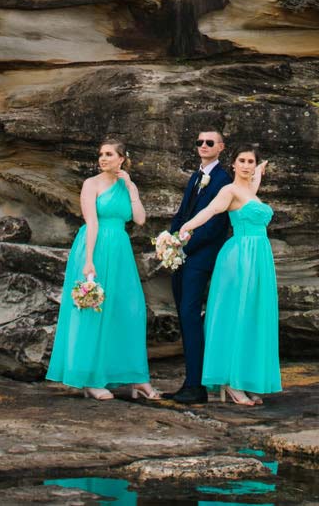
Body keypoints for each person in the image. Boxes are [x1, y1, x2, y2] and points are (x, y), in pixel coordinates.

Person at [45, 140, 161, 401]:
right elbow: (92, 222)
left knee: (129, 309)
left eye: (109, 154)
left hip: (120, 250)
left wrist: (131, 187)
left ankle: (136, 378)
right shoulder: (91, 184)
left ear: (122, 159)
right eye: (101, 154)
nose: (103, 158)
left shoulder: (127, 185)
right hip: (94, 247)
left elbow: (140, 219)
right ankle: (90, 379)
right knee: (92, 312)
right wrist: (88, 261)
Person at [176, 146, 280, 406]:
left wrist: (258, 174)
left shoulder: (250, 193)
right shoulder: (229, 190)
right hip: (240, 256)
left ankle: (243, 379)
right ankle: (231, 382)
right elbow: (210, 211)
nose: (246, 165)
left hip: (259, 258)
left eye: (250, 162)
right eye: (241, 161)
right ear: (233, 165)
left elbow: (252, 188)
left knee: (254, 316)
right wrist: (186, 226)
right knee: (238, 314)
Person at [164, 124, 232, 405]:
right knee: (185, 316)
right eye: (199, 141)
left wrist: (184, 246)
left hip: (202, 257)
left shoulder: (223, 180)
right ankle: (191, 382)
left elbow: (216, 225)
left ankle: (196, 385)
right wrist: (170, 241)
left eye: (209, 142)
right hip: (182, 256)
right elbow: (183, 214)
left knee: (191, 317)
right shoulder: (196, 176)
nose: (203, 146)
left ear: (220, 148)